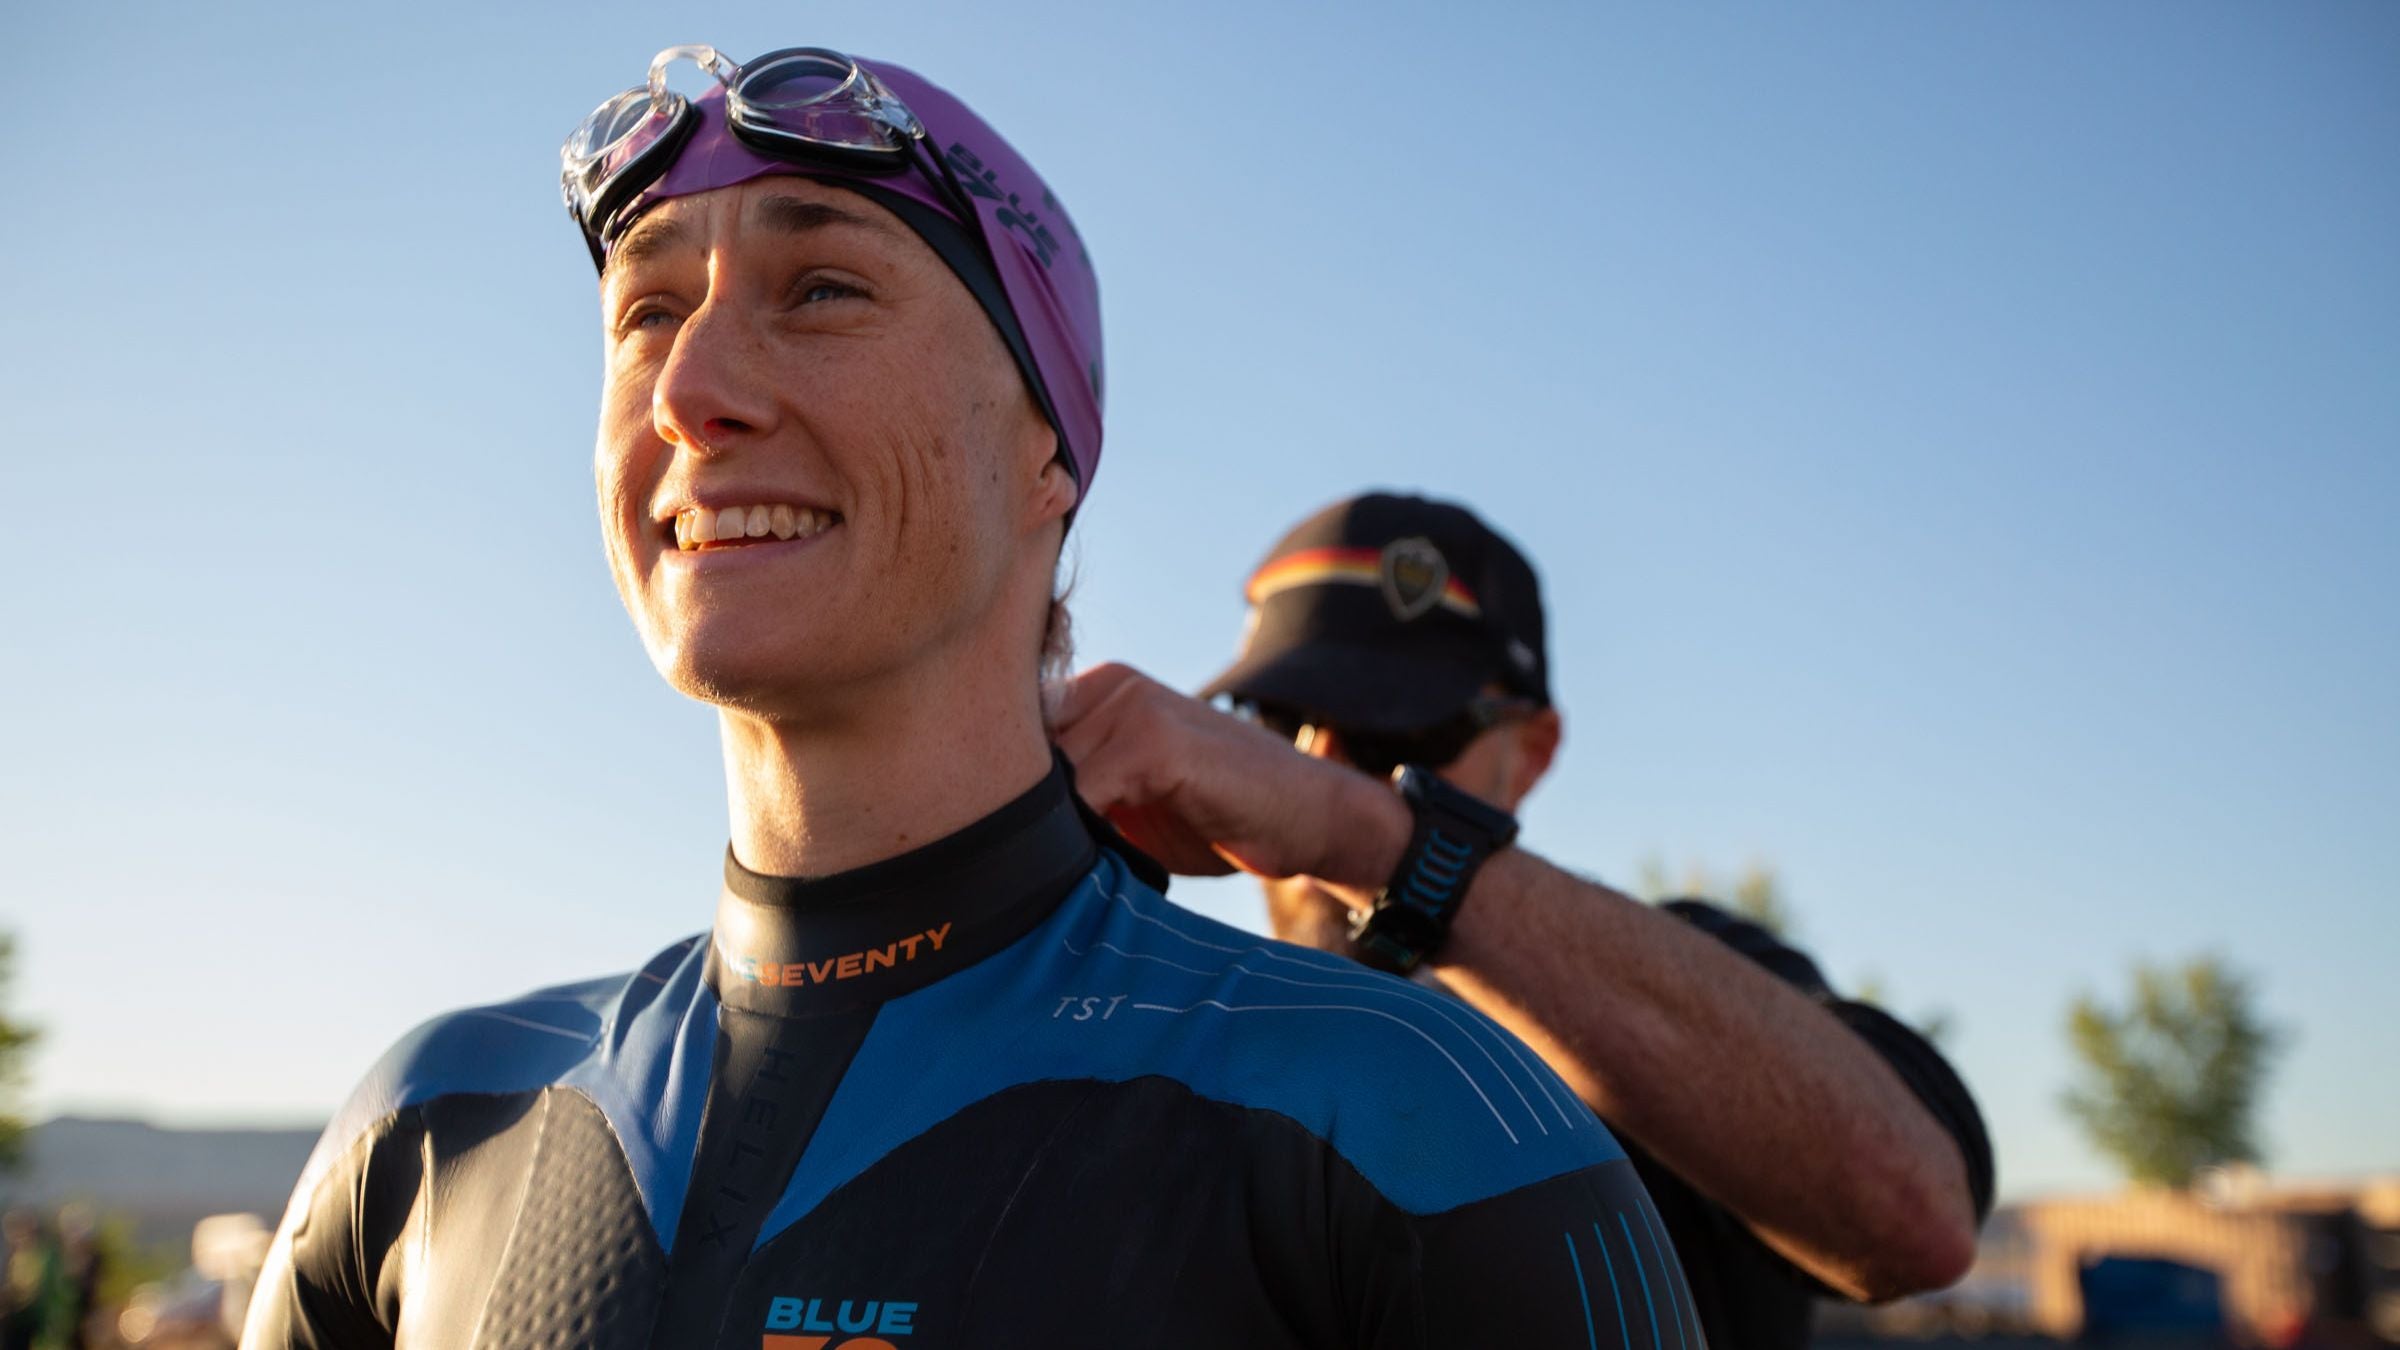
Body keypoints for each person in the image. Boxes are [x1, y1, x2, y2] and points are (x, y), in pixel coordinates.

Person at [243, 47, 1696, 1347]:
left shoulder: (1401, 1117)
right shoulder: (431, 1122)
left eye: (822, 289)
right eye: (645, 313)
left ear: (1050, 453)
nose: (691, 385)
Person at [1053, 492, 1996, 1349]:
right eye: (1277, 720)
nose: (1316, 764)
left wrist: (1374, 843)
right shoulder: (1156, 1042)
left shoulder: (1683, 995)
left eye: (1397, 732)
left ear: (1533, 751)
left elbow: (1916, 1215)